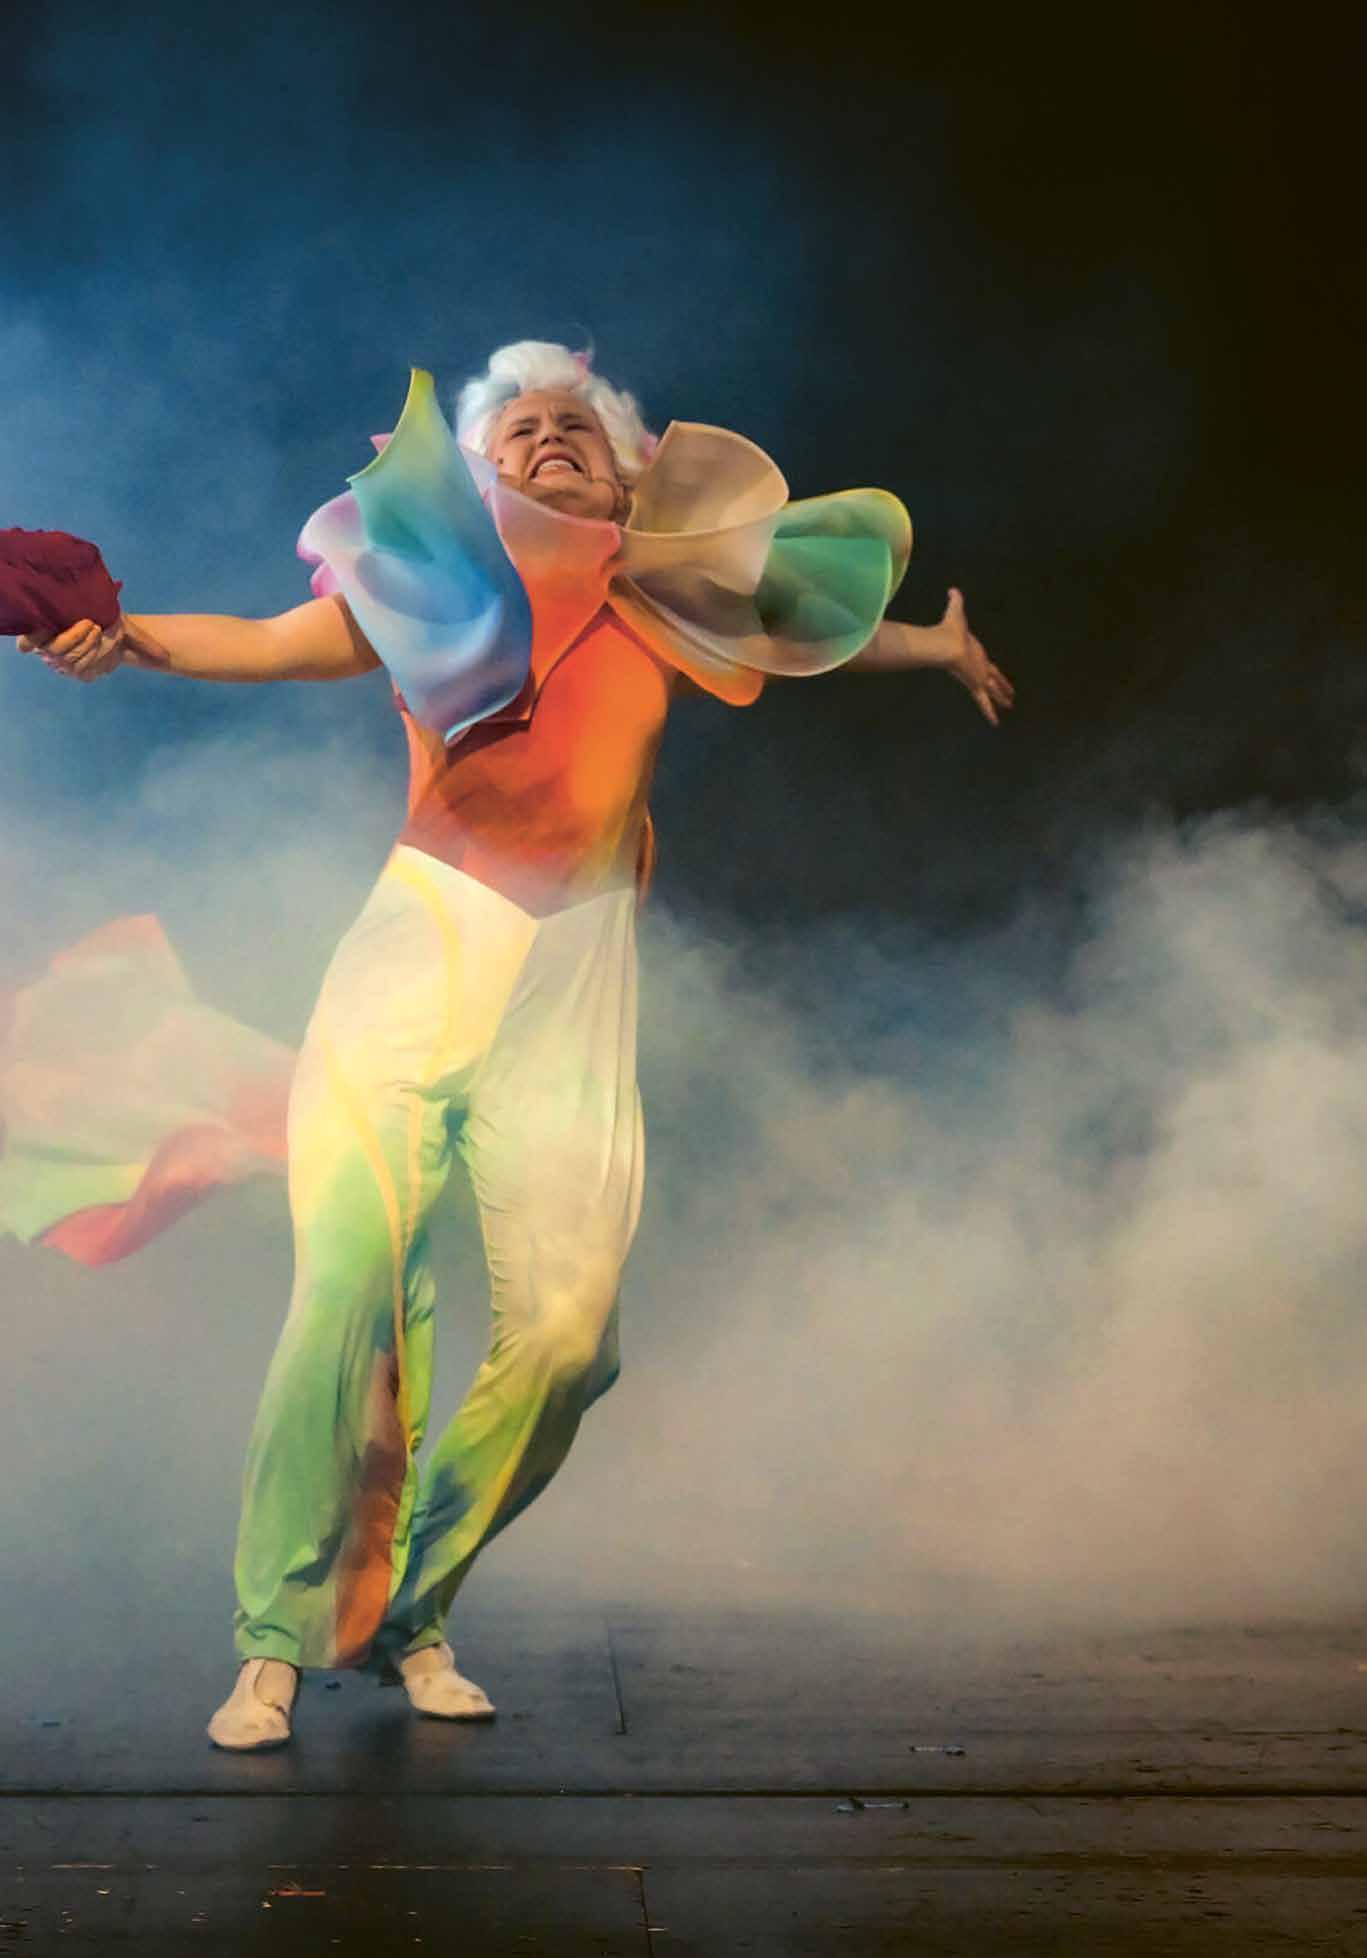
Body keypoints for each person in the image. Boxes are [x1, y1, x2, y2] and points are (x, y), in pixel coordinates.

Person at [10, 340, 1014, 1751]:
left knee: (564, 1339)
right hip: (420, 953)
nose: (549, 436)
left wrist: (937, 644)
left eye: (575, 427)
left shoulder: (671, 611)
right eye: (522, 428)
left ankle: (410, 1610)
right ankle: (273, 1643)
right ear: (483, 477)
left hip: (575, 987)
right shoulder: (436, 595)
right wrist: (120, 640)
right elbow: (265, 641)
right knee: (349, 1293)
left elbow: (819, 633)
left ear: (627, 476)